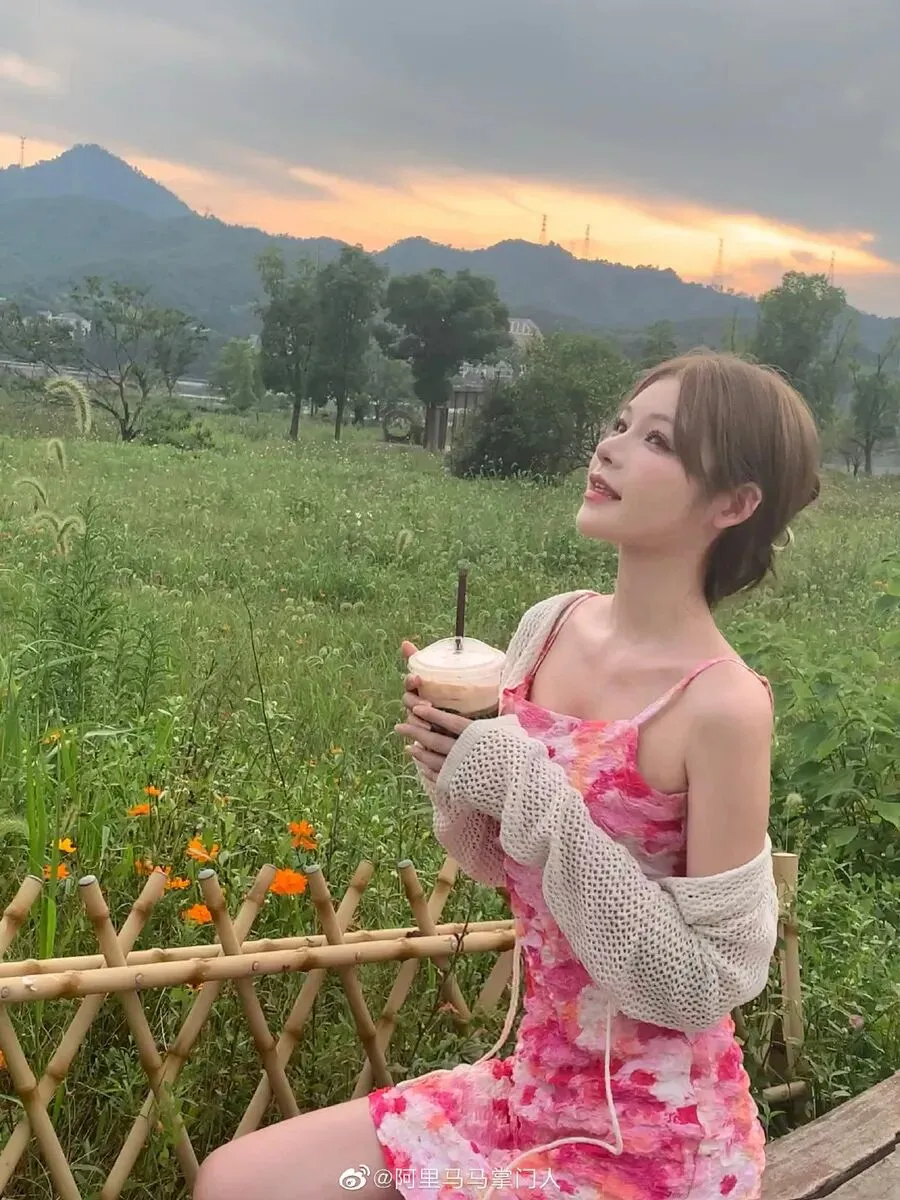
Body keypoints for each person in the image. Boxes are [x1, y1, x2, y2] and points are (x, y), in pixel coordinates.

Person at [193, 351, 820, 1200]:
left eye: (658, 441)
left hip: (653, 1143)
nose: (610, 448)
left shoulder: (723, 705)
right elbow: (496, 860)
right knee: (238, 1181)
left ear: (733, 504)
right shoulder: (551, 625)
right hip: (525, 1094)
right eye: (620, 424)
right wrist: (449, 766)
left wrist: (520, 781)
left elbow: (706, 983)